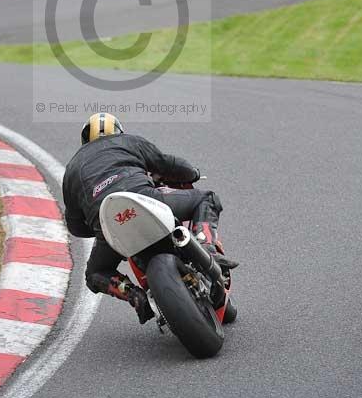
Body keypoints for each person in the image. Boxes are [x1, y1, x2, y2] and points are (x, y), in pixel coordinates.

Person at [62, 112, 238, 324]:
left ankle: (135, 296)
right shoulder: (129, 141)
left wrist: (100, 226)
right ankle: (207, 249)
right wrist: (192, 173)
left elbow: (75, 226)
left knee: (95, 273)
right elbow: (167, 164)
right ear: (118, 131)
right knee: (206, 199)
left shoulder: (71, 169)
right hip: (145, 199)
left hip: (109, 223)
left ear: (84, 141)